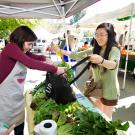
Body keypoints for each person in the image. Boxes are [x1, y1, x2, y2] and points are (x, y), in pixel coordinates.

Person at [0, 26, 65, 135]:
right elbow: (30, 63)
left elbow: (32, 57)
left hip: (16, 97)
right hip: (4, 98)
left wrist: (45, 58)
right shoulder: (11, 48)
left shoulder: (21, 51)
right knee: (5, 130)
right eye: (29, 44)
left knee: (19, 125)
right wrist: (56, 69)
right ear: (20, 39)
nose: (30, 47)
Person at [51, 23, 120, 119]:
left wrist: (101, 61)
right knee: (98, 115)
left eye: (102, 34)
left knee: (107, 118)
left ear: (110, 35)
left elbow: (114, 64)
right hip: (97, 89)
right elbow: (76, 55)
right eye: (96, 34)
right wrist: (59, 50)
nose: (98, 37)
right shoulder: (95, 49)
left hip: (109, 91)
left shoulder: (114, 50)